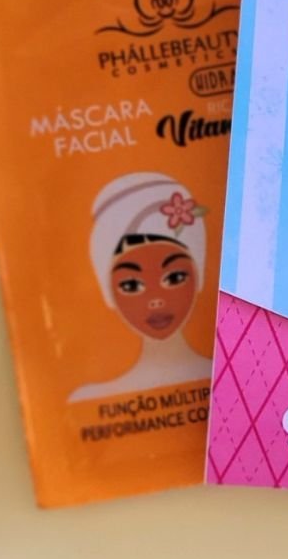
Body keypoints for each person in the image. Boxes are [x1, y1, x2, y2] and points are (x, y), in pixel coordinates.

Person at [68, 172, 210, 403]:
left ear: (198, 274)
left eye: (174, 277)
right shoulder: (90, 400)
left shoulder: (242, 380)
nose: (156, 299)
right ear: (108, 292)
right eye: (131, 285)